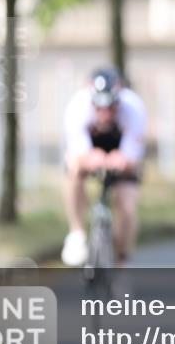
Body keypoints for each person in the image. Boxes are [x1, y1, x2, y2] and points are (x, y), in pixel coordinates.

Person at [61, 67, 147, 268]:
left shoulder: (133, 107)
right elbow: (77, 154)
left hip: (120, 148)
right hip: (91, 147)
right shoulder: (77, 107)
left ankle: (122, 259)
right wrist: (91, 158)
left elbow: (132, 156)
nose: (105, 114)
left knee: (126, 205)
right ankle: (77, 233)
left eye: (111, 108)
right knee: (73, 171)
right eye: (99, 108)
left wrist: (122, 160)